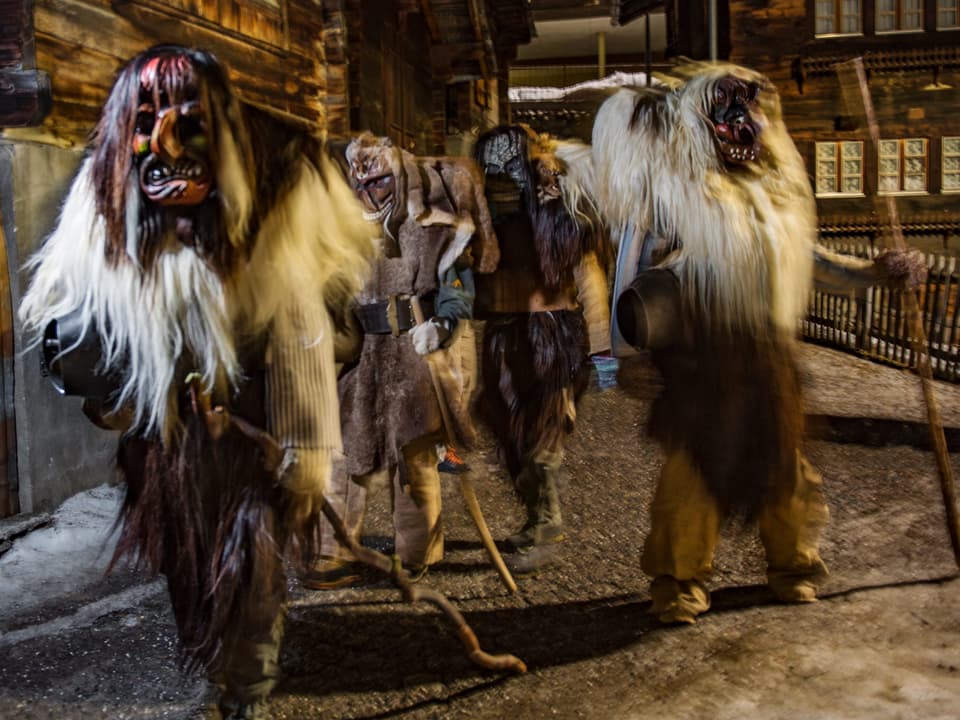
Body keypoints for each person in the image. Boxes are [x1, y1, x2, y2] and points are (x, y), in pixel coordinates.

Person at [17, 45, 374, 718]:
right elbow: (87, 329)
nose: (167, 143)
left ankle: (247, 688)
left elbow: (302, 331)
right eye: (147, 119)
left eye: (188, 119)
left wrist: (304, 446)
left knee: (253, 565)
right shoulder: (107, 208)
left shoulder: (273, 207)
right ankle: (220, 669)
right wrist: (115, 396)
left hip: (252, 429)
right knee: (184, 564)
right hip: (167, 437)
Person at [594, 62, 925, 624]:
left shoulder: (772, 197)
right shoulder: (671, 193)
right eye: (725, 116)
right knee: (693, 471)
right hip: (700, 358)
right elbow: (632, 272)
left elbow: (811, 262)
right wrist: (627, 355)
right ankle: (679, 580)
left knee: (783, 464)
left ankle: (793, 564)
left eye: (747, 114)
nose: (739, 126)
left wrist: (875, 271)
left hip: (767, 357)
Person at [303, 133, 498, 589]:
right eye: (363, 185)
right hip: (362, 355)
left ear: (402, 179)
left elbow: (456, 285)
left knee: (412, 456)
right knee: (344, 454)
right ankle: (332, 552)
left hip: (412, 351)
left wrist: (444, 324)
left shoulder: (432, 227)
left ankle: (416, 552)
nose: (370, 194)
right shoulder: (343, 234)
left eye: (381, 184)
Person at [473, 125, 611, 575]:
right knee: (507, 432)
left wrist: (603, 349)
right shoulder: (488, 210)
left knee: (543, 432)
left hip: (551, 332)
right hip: (503, 334)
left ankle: (548, 522)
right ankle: (535, 517)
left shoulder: (557, 207)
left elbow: (587, 273)